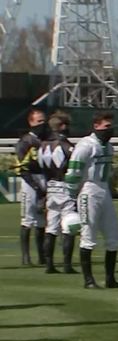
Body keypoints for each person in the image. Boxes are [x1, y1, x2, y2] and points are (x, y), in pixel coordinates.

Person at [64, 111, 118, 290]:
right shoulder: (85, 146)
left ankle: (110, 278)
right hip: (88, 189)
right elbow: (73, 172)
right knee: (88, 235)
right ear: (96, 125)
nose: (110, 130)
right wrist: (72, 197)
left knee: (113, 236)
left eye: (111, 126)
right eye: (107, 126)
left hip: (103, 189)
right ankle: (88, 280)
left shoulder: (109, 147)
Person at [40, 110, 78, 274]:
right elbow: (75, 166)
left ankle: (49, 264)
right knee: (69, 225)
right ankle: (67, 265)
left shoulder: (42, 145)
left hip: (50, 186)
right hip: (64, 186)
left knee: (51, 227)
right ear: (62, 126)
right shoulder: (66, 145)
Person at [15, 109, 48, 266]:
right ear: (31, 122)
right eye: (38, 121)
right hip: (30, 180)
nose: (42, 124)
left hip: (43, 177)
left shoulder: (45, 139)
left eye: (43, 121)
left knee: (42, 219)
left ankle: (42, 256)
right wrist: (35, 187)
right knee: (28, 218)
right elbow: (22, 168)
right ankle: (26, 257)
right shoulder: (25, 141)